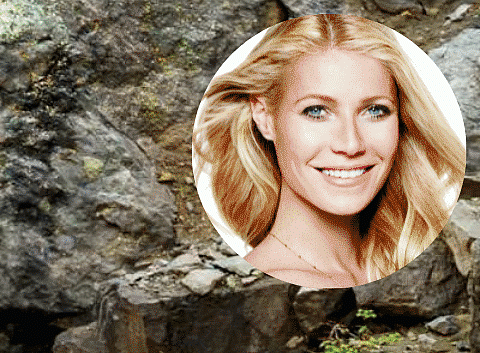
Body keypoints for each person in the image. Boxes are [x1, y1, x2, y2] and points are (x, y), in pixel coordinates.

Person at [194, 14, 464, 288]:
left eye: (375, 110)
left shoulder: (402, 263)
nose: (351, 145)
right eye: (316, 111)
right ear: (264, 117)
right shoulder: (276, 285)